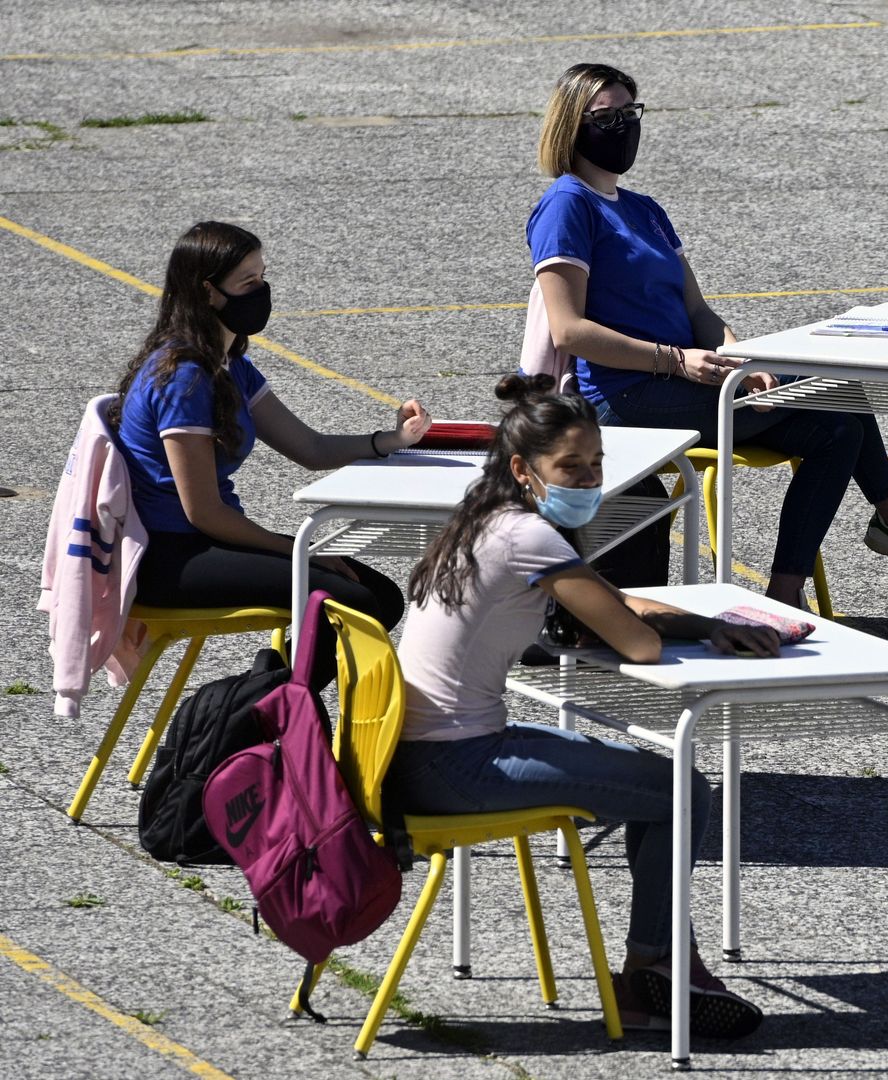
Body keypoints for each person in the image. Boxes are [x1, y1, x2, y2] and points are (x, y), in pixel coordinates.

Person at [393, 374, 780, 1038]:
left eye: (595, 464)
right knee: (680, 788)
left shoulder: (481, 519)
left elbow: (612, 606)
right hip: (458, 765)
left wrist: (700, 624)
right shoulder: (530, 537)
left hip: (414, 756)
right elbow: (636, 641)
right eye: (570, 466)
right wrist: (685, 628)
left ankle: (658, 968)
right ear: (523, 469)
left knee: (657, 787)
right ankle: (651, 971)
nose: (588, 478)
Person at [524, 62, 888, 612]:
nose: (624, 126)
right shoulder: (567, 204)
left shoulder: (645, 210)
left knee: (837, 430)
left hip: (686, 380)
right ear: (573, 125)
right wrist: (674, 361)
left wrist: (740, 357)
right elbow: (569, 329)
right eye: (607, 116)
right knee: (838, 388)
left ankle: (786, 594)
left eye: (631, 112)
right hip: (625, 396)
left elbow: (697, 309)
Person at [113, 221, 426, 685]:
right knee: (351, 603)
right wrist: (302, 553)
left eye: (262, 277)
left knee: (380, 596)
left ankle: (274, 700)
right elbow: (203, 512)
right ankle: (258, 715)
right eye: (249, 283)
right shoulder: (184, 377)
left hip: (206, 543)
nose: (262, 291)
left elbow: (310, 447)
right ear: (208, 292)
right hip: (171, 555)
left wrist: (392, 440)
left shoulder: (229, 364)